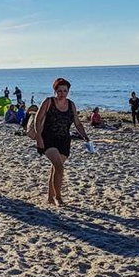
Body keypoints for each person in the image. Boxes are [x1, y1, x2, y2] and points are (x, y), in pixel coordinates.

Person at [34, 78, 90, 206]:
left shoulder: (71, 105)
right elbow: (38, 119)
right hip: (48, 139)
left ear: (68, 91)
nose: (62, 93)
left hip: (64, 140)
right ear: (55, 91)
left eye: (65, 91)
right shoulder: (48, 102)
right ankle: (58, 198)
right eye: (59, 91)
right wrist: (39, 138)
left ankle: (50, 197)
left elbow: (77, 123)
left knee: (56, 168)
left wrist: (85, 136)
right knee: (59, 167)